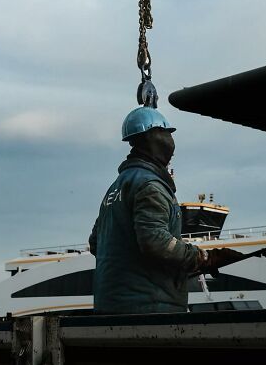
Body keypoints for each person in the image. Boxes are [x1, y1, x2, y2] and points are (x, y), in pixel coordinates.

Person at [88, 106, 245, 314]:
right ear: (153, 138)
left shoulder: (116, 188)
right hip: (150, 309)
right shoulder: (149, 186)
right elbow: (156, 242)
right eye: (166, 133)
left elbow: (96, 243)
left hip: (110, 308)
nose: (171, 141)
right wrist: (205, 258)